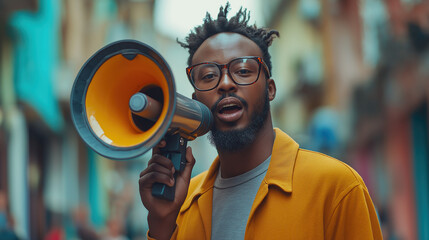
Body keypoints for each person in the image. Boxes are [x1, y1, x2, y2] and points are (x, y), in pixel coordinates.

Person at [138, 3, 382, 239]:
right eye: (209, 76)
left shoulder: (337, 188)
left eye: (243, 71)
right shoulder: (180, 203)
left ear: (271, 89)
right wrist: (161, 224)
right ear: (195, 100)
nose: (225, 83)